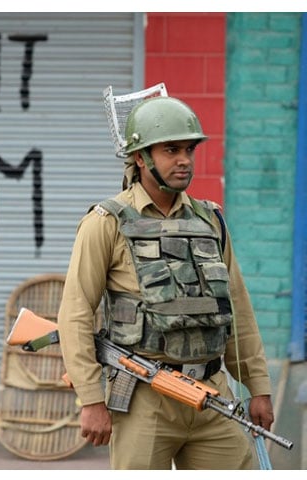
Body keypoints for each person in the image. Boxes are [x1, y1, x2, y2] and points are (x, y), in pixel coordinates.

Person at [57, 95, 274, 469]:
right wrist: (91, 400)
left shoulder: (210, 221)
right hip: (145, 397)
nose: (184, 160)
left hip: (212, 395)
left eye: (189, 149)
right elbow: (75, 313)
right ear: (140, 157)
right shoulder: (106, 222)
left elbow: (236, 309)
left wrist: (259, 388)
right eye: (171, 149)